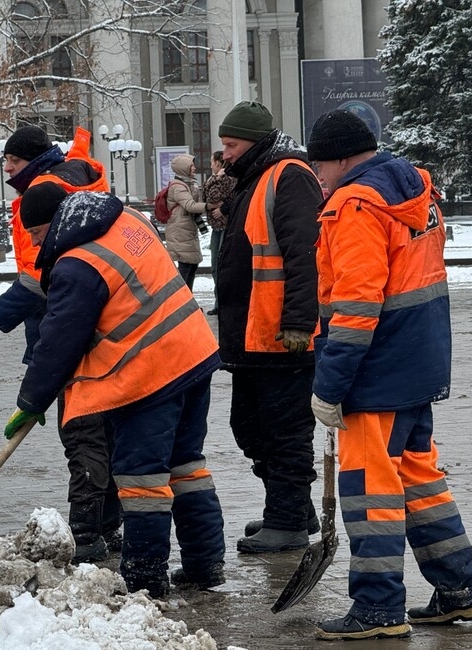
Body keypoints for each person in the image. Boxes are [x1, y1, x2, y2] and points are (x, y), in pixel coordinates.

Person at [306, 109, 472, 640]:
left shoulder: (354, 206)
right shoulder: (412, 192)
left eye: (320, 164)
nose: (316, 175)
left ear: (343, 158)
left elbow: (357, 306)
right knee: (418, 479)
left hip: (377, 371)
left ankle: (377, 608)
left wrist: (330, 384)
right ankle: (461, 591)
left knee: (371, 489)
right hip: (418, 362)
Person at [4, 182, 225, 599]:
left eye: (36, 235)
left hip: (150, 372)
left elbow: (58, 341)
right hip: (195, 352)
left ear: (53, 224)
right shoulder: (124, 219)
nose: (35, 245)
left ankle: (144, 579)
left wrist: (30, 402)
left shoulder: (77, 265)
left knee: (141, 479)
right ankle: (205, 564)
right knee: (186, 466)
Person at [0, 125, 121, 564]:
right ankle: (106, 526)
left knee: (81, 430)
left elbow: (41, 278)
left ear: (31, 158)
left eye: (11, 160)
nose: (7, 168)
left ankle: (90, 536)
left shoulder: (45, 193)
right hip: (83, 325)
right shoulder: (74, 180)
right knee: (98, 433)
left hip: (73, 327)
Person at [213, 100, 323, 553]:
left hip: (281, 338)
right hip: (252, 336)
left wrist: (299, 321)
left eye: (231, 145)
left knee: (284, 434)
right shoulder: (254, 178)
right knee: (249, 427)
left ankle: (288, 520)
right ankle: (292, 507)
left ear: (254, 143)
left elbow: (305, 254)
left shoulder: (289, 176)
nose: (225, 155)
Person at [164, 154, 211, 290]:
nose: (194, 168)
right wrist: (210, 206)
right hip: (180, 232)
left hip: (186, 230)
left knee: (191, 265)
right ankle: (182, 301)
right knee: (186, 267)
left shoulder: (188, 184)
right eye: (191, 166)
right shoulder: (178, 187)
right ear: (183, 168)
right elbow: (190, 205)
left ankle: (187, 299)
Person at [202, 151, 235, 315]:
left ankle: (222, 302)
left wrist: (222, 207)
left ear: (218, 163)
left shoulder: (227, 178)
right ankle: (219, 302)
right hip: (218, 226)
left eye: (212, 162)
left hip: (224, 225)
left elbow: (212, 195)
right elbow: (206, 197)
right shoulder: (219, 178)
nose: (210, 165)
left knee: (220, 266)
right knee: (216, 266)